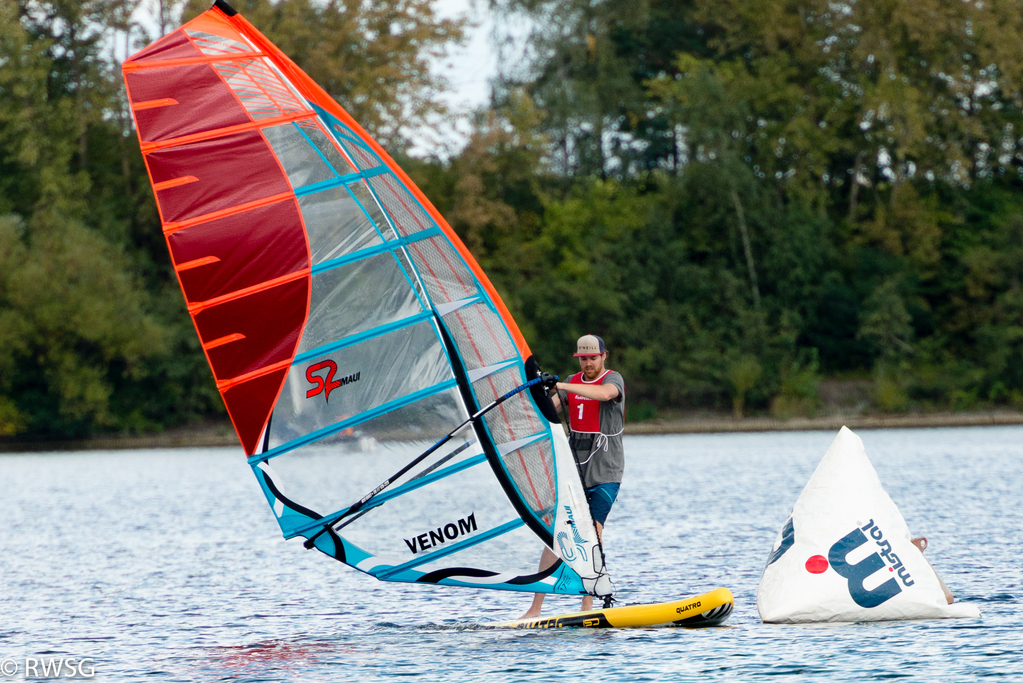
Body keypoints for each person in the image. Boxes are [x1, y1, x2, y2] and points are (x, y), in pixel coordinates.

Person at [519, 334, 625, 619]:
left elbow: (604, 395)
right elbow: (546, 409)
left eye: (593, 358)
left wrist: (563, 385)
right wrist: (537, 390)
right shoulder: (571, 380)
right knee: (554, 535)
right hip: (573, 471)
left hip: (606, 471)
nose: (588, 363)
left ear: (604, 356)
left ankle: (587, 605)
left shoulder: (613, 380)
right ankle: (535, 607)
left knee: (594, 531)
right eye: (583, 359)